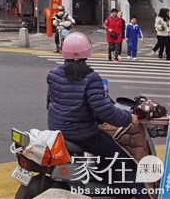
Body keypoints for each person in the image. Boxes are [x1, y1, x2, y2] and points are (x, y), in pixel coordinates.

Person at [46, 32, 142, 196]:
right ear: (87, 52)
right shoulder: (91, 78)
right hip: (83, 134)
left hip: (57, 130)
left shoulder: (53, 73)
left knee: (104, 154)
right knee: (122, 161)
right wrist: (129, 118)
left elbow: (49, 103)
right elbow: (105, 111)